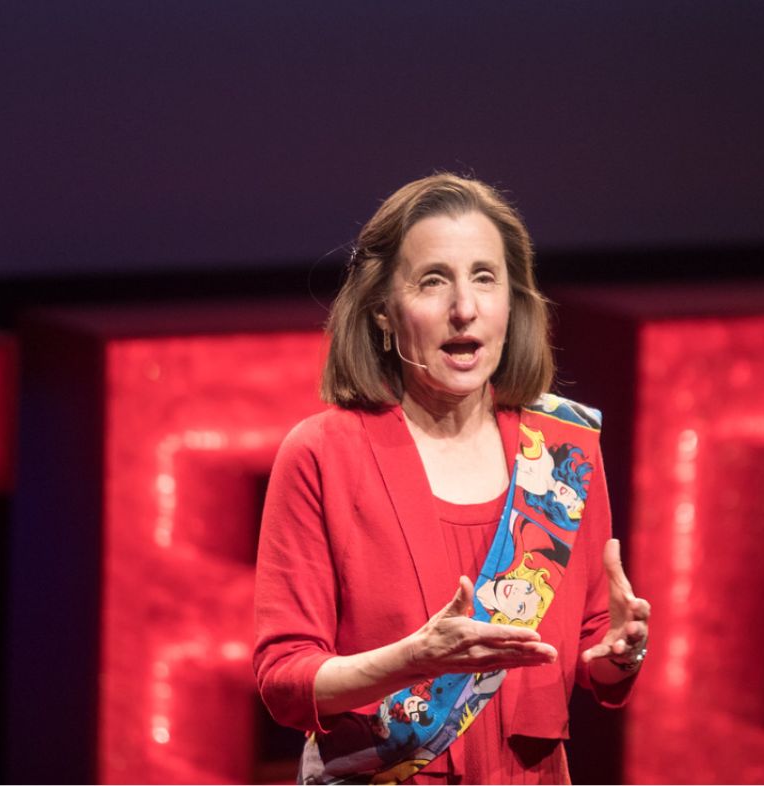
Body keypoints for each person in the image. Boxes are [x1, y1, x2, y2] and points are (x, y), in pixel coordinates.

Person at [253, 173, 650, 785]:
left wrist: (616, 656)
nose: (464, 308)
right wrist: (414, 660)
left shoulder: (566, 452)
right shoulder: (322, 453)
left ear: (512, 302)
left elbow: (592, 648)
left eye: (485, 278)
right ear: (384, 311)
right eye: (433, 281)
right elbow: (285, 679)